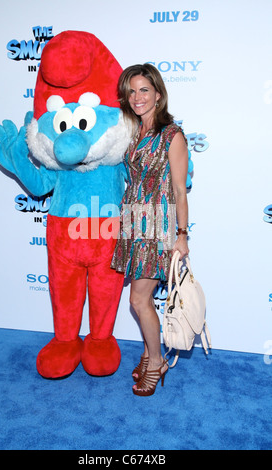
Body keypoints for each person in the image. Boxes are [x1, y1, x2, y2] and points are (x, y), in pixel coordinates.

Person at [111, 63, 189, 396]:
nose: (137, 97)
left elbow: (179, 188)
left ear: (158, 93)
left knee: (139, 299)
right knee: (143, 301)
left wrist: (182, 235)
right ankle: (147, 351)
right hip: (134, 222)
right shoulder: (134, 132)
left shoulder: (172, 135)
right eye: (131, 90)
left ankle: (156, 362)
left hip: (157, 226)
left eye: (144, 89)